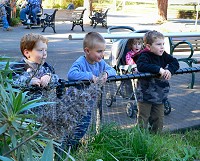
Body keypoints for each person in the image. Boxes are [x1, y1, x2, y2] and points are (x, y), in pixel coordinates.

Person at [67, 32, 116, 146]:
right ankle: (66, 148)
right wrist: (89, 76)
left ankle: (72, 147)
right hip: (73, 103)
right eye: (99, 51)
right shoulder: (81, 62)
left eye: (103, 51)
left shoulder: (101, 63)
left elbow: (113, 70)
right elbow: (71, 74)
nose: (102, 54)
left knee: (83, 126)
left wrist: (106, 74)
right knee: (71, 126)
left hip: (88, 104)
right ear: (87, 51)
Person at [136, 30, 179, 133]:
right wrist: (158, 69)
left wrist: (169, 70)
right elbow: (141, 66)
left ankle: (156, 139)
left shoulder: (163, 55)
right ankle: (140, 140)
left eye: (163, 44)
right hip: (145, 95)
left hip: (160, 95)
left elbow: (175, 62)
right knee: (143, 118)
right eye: (158, 44)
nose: (162, 47)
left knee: (159, 119)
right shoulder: (144, 55)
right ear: (148, 46)